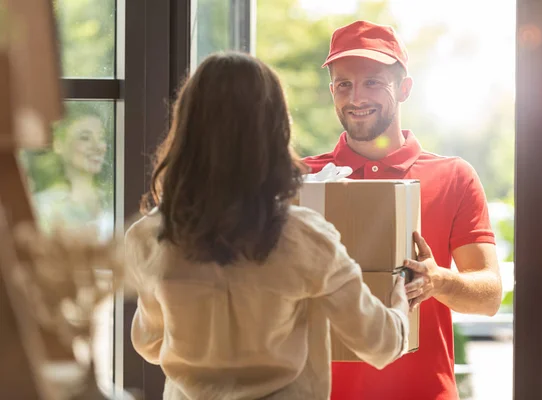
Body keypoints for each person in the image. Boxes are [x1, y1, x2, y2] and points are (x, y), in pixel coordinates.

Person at [124, 51, 412, 400]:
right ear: (276, 129)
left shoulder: (146, 237)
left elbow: (150, 344)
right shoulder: (305, 237)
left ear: (185, 127)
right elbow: (379, 343)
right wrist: (401, 302)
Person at [303, 20, 503, 400]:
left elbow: (489, 295)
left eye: (373, 82)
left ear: (405, 88)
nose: (356, 96)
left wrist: (438, 281)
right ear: (332, 91)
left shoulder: (454, 176)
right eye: (344, 84)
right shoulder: (304, 179)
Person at [32, 102, 113, 239]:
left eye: (101, 138)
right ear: (59, 144)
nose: (98, 146)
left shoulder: (112, 201)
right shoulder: (44, 207)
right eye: (85, 138)